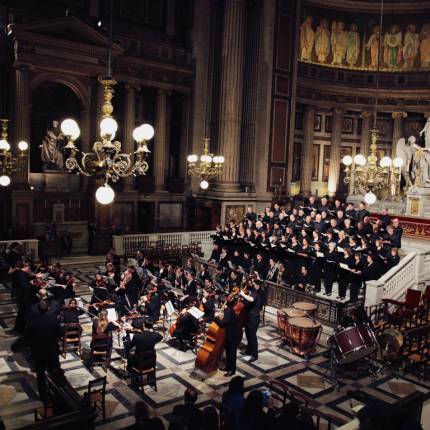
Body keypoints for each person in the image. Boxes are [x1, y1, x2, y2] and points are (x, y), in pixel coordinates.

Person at [26, 301, 65, 403]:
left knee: (40, 375)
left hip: (39, 352)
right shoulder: (54, 320)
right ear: (48, 309)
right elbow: (60, 333)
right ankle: (59, 395)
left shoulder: (32, 321)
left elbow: (27, 336)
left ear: (38, 309)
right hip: (52, 351)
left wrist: (16, 346)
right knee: (55, 371)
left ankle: (44, 397)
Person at [215, 299, 238, 376]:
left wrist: (216, 317)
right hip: (229, 334)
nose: (220, 306)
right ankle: (228, 367)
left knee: (232, 354)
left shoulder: (228, 311)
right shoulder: (228, 310)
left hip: (232, 335)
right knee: (228, 353)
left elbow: (222, 323)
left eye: (221, 304)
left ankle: (232, 370)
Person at [240, 282, 261, 362]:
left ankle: (255, 355)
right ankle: (248, 350)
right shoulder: (248, 295)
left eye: (246, 290)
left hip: (254, 319)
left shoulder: (255, 294)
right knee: (248, 335)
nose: (245, 291)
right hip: (248, 318)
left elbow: (251, 300)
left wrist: (243, 295)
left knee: (252, 337)